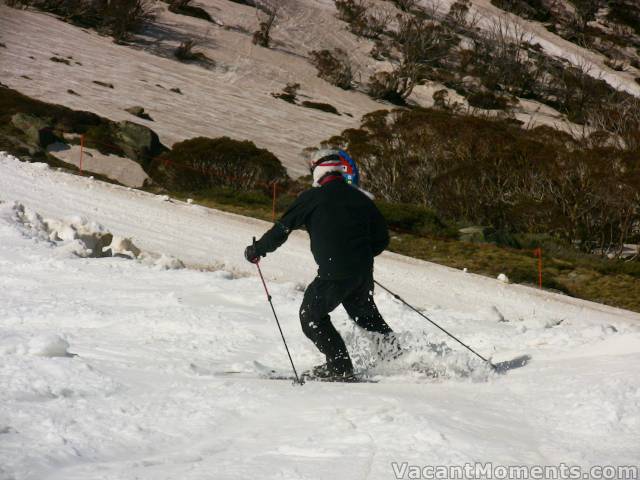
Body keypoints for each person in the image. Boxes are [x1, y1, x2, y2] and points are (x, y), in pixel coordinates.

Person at [244, 149, 396, 380]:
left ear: (317, 170)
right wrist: (358, 258)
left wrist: (258, 250)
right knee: (367, 318)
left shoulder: (312, 198)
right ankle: (400, 360)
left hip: (334, 273)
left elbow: (282, 229)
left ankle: (340, 368)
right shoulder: (360, 198)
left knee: (311, 315)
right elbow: (383, 238)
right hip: (362, 273)